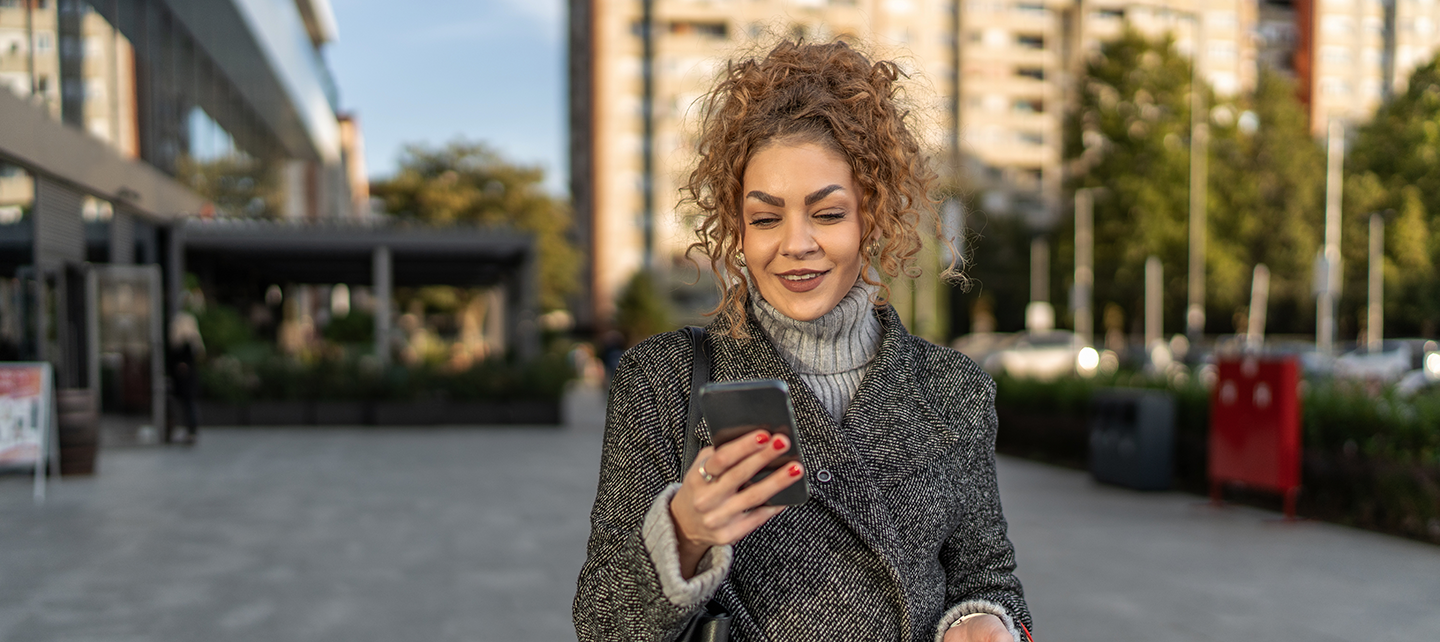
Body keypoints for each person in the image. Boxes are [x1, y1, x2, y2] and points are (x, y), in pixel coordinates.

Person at [574, 40, 1032, 642]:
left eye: (828, 213)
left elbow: (988, 579)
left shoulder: (955, 389)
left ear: (872, 215)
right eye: (766, 218)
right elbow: (601, 625)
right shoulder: (663, 379)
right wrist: (683, 533)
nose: (795, 244)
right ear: (737, 228)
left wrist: (983, 621)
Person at [168, 312, 205, 444]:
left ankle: (190, 431)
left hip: (184, 380)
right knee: (188, 405)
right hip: (188, 380)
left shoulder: (181, 343)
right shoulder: (193, 342)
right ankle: (191, 431)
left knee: (186, 405)